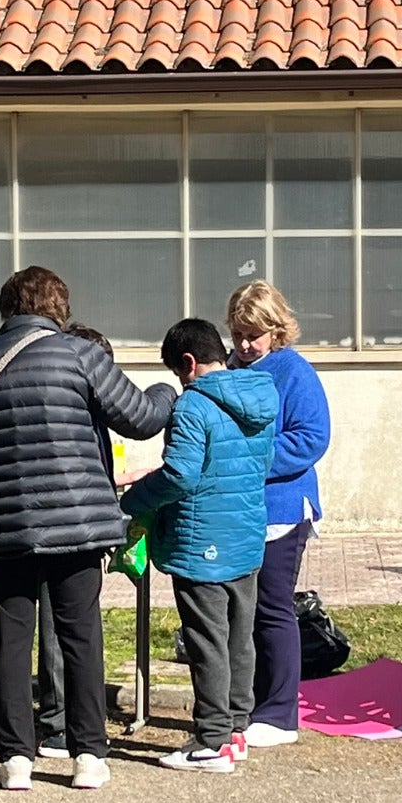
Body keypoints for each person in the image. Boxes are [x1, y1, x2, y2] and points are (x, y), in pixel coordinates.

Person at [0, 267, 176, 792]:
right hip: (80, 523)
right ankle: (88, 755)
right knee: (81, 637)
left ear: (7, 310)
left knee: (11, 640)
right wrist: (166, 389)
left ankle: (14, 758)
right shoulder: (81, 356)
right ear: (59, 308)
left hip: (6, 527)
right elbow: (139, 417)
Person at [121, 319, 277, 772]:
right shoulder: (261, 398)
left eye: (176, 372)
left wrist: (136, 499)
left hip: (199, 539)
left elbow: (181, 475)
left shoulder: (192, 406)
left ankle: (210, 740)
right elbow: (263, 463)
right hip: (246, 536)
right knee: (238, 637)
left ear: (188, 364)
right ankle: (235, 729)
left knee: (207, 641)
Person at [225, 281, 331, 752]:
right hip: (241, 509)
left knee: (272, 606)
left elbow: (312, 437)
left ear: (276, 330)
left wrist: (251, 456)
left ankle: (281, 711)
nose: (246, 345)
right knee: (242, 612)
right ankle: (250, 702)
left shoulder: (294, 371)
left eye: (255, 335)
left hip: (283, 508)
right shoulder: (230, 368)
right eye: (239, 334)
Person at [33, 321, 118, 761]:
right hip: (65, 530)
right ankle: (58, 722)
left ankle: (74, 724)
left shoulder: (88, 412)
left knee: (73, 632)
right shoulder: (72, 412)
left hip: (81, 527)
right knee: (59, 630)